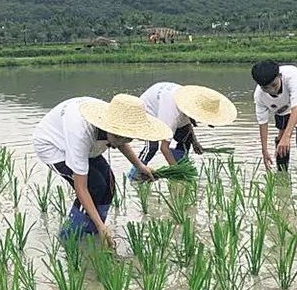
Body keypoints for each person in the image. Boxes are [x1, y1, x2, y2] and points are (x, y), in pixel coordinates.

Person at [32, 94, 171, 248]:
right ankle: (69, 239)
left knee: (109, 184)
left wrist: (140, 166)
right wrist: (101, 226)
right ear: (109, 129)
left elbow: (121, 142)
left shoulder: (117, 117)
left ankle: (92, 233)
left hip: (87, 145)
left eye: (128, 139)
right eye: (119, 138)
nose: (123, 143)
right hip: (54, 146)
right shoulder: (80, 132)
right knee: (94, 186)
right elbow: (81, 188)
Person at [130, 83, 238, 178]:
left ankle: (180, 161)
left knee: (186, 138)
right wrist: (177, 172)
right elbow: (164, 148)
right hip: (148, 112)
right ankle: (134, 175)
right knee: (152, 147)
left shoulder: (190, 102)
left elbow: (187, 124)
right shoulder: (171, 114)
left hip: (164, 101)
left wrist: (195, 142)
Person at [251, 61, 297, 171]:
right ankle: (282, 172)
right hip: (281, 105)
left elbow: (296, 109)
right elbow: (262, 123)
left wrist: (287, 137)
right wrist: (264, 150)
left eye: (274, 85)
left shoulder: (293, 79)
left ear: (280, 76)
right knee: (282, 133)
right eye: (266, 88)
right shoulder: (259, 96)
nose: (272, 90)